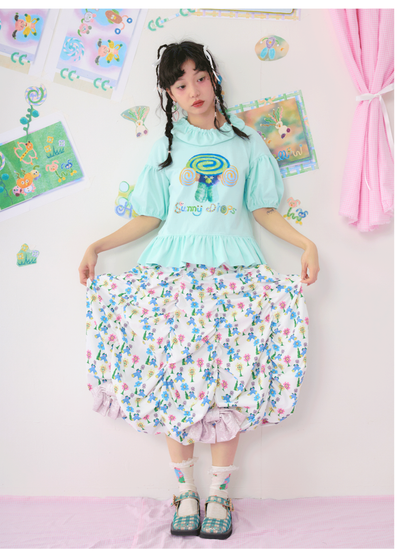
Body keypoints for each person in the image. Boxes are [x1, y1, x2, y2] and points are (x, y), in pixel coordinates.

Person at [79, 41, 320, 540]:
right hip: (172, 273)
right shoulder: (167, 148)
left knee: (230, 378)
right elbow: (150, 216)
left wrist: (306, 243)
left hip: (234, 273)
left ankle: (220, 496)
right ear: (170, 94)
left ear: (214, 79)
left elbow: (263, 210)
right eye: (181, 83)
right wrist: (97, 245)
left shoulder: (246, 143)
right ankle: (185, 492)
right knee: (175, 377)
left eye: (200, 77)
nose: (194, 90)